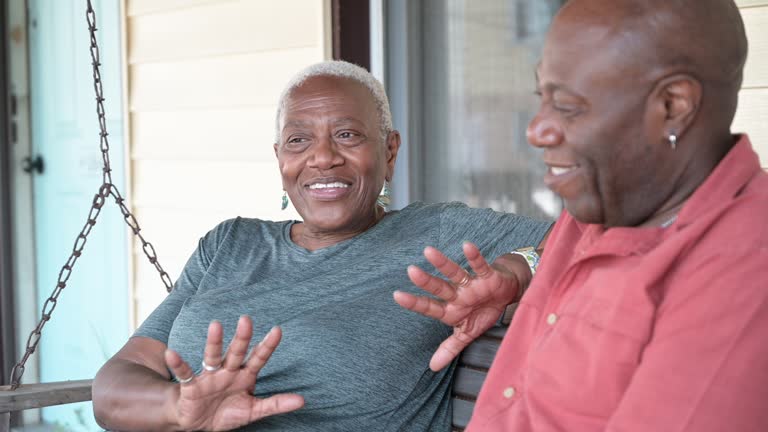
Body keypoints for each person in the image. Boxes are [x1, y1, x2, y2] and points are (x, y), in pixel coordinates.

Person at [92, 60, 551, 431]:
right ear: (280, 160)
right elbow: (116, 383)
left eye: (347, 135)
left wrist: (515, 270)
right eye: (299, 140)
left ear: (389, 152)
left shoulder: (437, 234)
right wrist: (178, 406)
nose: (323, 157)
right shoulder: (228, 244)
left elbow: (583, 238)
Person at [397, 0, 768, 430]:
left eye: (568, 107)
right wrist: (521, 270)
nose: (536, 130)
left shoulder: (742, 269)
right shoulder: (610, 200)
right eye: (542, 98)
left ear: (672, 104)